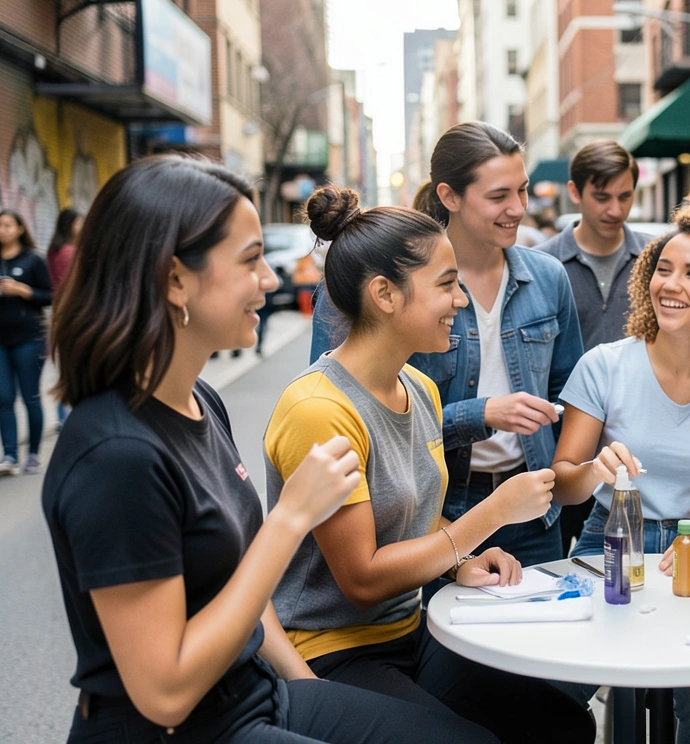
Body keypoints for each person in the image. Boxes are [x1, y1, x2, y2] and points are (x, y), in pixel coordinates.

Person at [41, 154, 495, 743]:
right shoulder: (116, 456)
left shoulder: (199, 401)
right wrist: (291, 517)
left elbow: (243, 588)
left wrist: (307, 686)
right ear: (175, 279)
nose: (272, 280)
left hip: (256, 694)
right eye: (250, 259)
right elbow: (164, 695)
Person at [267, 186, 594, 743]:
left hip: (410, 631)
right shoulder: (319, 409)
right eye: (446, 284)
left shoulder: (418, 387)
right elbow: (363, 579)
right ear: (384, 295)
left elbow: (413, 517)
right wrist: (491, 515)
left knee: (564, 723)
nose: (461, 301)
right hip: (327, 653)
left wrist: (462, 559)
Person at [552, 204, 690, 744]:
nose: (670, 285)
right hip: (609, 538)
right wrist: (593, 470)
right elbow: (562, 483)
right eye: (663, 268)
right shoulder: (605, 364)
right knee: (555, 691)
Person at [311, 121, 584, 570]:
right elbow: (350, 413)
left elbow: (569, 395)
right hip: (439, 507)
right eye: (498, 196)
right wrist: (480, 413)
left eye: (522, 190)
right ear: (449, 196)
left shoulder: (548, 277)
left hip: (534, 504)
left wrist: (572, 476)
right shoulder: (400, 288)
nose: (518, 208)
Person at [535, 139, 653, 551]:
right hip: (562, 451)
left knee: (626, 570)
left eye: (625, 196)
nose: (615, 210)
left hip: (635, 451)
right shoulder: (543, 265)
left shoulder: (657, 262)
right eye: (602, 197)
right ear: (575, 191)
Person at [0, 208, 51, 475]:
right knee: (3, 397)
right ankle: (9, 455)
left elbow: (49, 296)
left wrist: (22, 290)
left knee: (30, 396)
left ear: (20, 228)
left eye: (8, 225)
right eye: (0, 226)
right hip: (1, 341)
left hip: (29, 338)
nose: (3, 230)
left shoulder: (33, 260)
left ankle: (32, 454)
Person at [48, 207, 84, 429]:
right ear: (69, 225)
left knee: (66, 369)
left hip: (62, 314)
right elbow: (72, 286)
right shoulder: (68, 252)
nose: (82, 227)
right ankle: (66, 418)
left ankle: (63, 417)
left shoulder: (55, 250)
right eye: (79, 222)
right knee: (74, 369)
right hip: (73, 314)